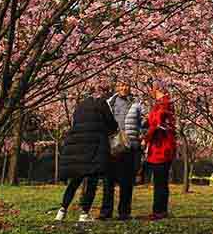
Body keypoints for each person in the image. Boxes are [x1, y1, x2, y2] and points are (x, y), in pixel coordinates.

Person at [55, 84, 118, 223]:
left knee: (75, 181)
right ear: (99, 93)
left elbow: (75, 123)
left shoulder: (80, 106)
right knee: (92, 181)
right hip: (95, 147)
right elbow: (113, 125)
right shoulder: (102, 104)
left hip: (79, 147)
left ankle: (62, 210)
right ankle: (84, 213)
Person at [99, 80, 146, 221]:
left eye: (126, 85)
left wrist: (142, 135)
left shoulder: (137, 103)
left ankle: (124, 212)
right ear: (116, 87)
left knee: (127, 182)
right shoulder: (109, 103)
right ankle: (105, 212)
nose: (123, 88)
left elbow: (144, 123)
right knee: (108, 182)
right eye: (120, 85)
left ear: (130, 87)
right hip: (112, 146)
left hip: (130, 146)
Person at [143, 80, 177, 220]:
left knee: (160, 182)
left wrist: (146, 136)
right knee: (160, 181)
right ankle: (160, 210)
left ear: (156, 89)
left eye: (153, 89)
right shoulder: (162, 104)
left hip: (161, 148)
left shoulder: (163, 105)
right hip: (160, 147)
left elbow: (157, 124)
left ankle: (159, 211)